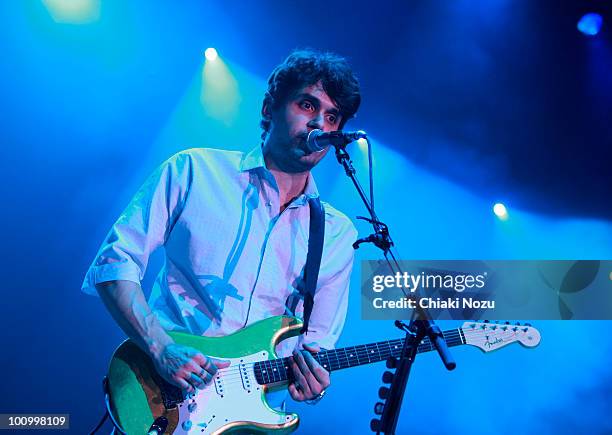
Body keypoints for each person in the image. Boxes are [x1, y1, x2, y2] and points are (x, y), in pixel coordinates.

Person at [82, 49, 361, 407]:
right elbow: (114, 262)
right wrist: (161, 347)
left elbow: (315, 346)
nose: (319, 125)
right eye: (307, 105)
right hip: (161, 397)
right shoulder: (194, 171)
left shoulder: (337, 234)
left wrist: (313, 385)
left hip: (249, 418)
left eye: (332, 116)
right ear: (269, 107)